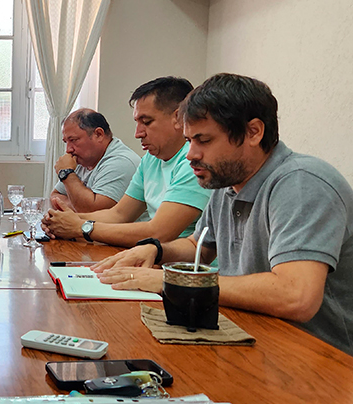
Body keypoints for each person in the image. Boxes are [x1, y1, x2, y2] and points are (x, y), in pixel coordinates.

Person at [93, 73, 353, 355]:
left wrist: (171, 281)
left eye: (203, 140)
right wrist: (156, 251)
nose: (191, 154)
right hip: (253, 336)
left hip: (323, 361)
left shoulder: (302, 183)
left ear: (253, 132)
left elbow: (296, 296)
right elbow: (198, 247)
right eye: (189, 140)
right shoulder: (227, 182)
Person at [42, 77, 211, 248]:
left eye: (146, 122)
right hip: (154, 257)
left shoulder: (194, 163)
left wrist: (81, 227)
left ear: (178, 118)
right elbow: (118, 214)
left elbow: (159, 232)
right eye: (137, 123)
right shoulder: (150, 159)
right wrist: (61, 221)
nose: (137, 133)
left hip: (182, 267)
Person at [50, 108, 141, 213]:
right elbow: (55, 196)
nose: (68, 149)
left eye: (73, 140)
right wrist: (77, 206)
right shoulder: (81, 160)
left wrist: (66, 173)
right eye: (66, 142)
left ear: (98, 134)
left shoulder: (122, 162)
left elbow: (93, 213)